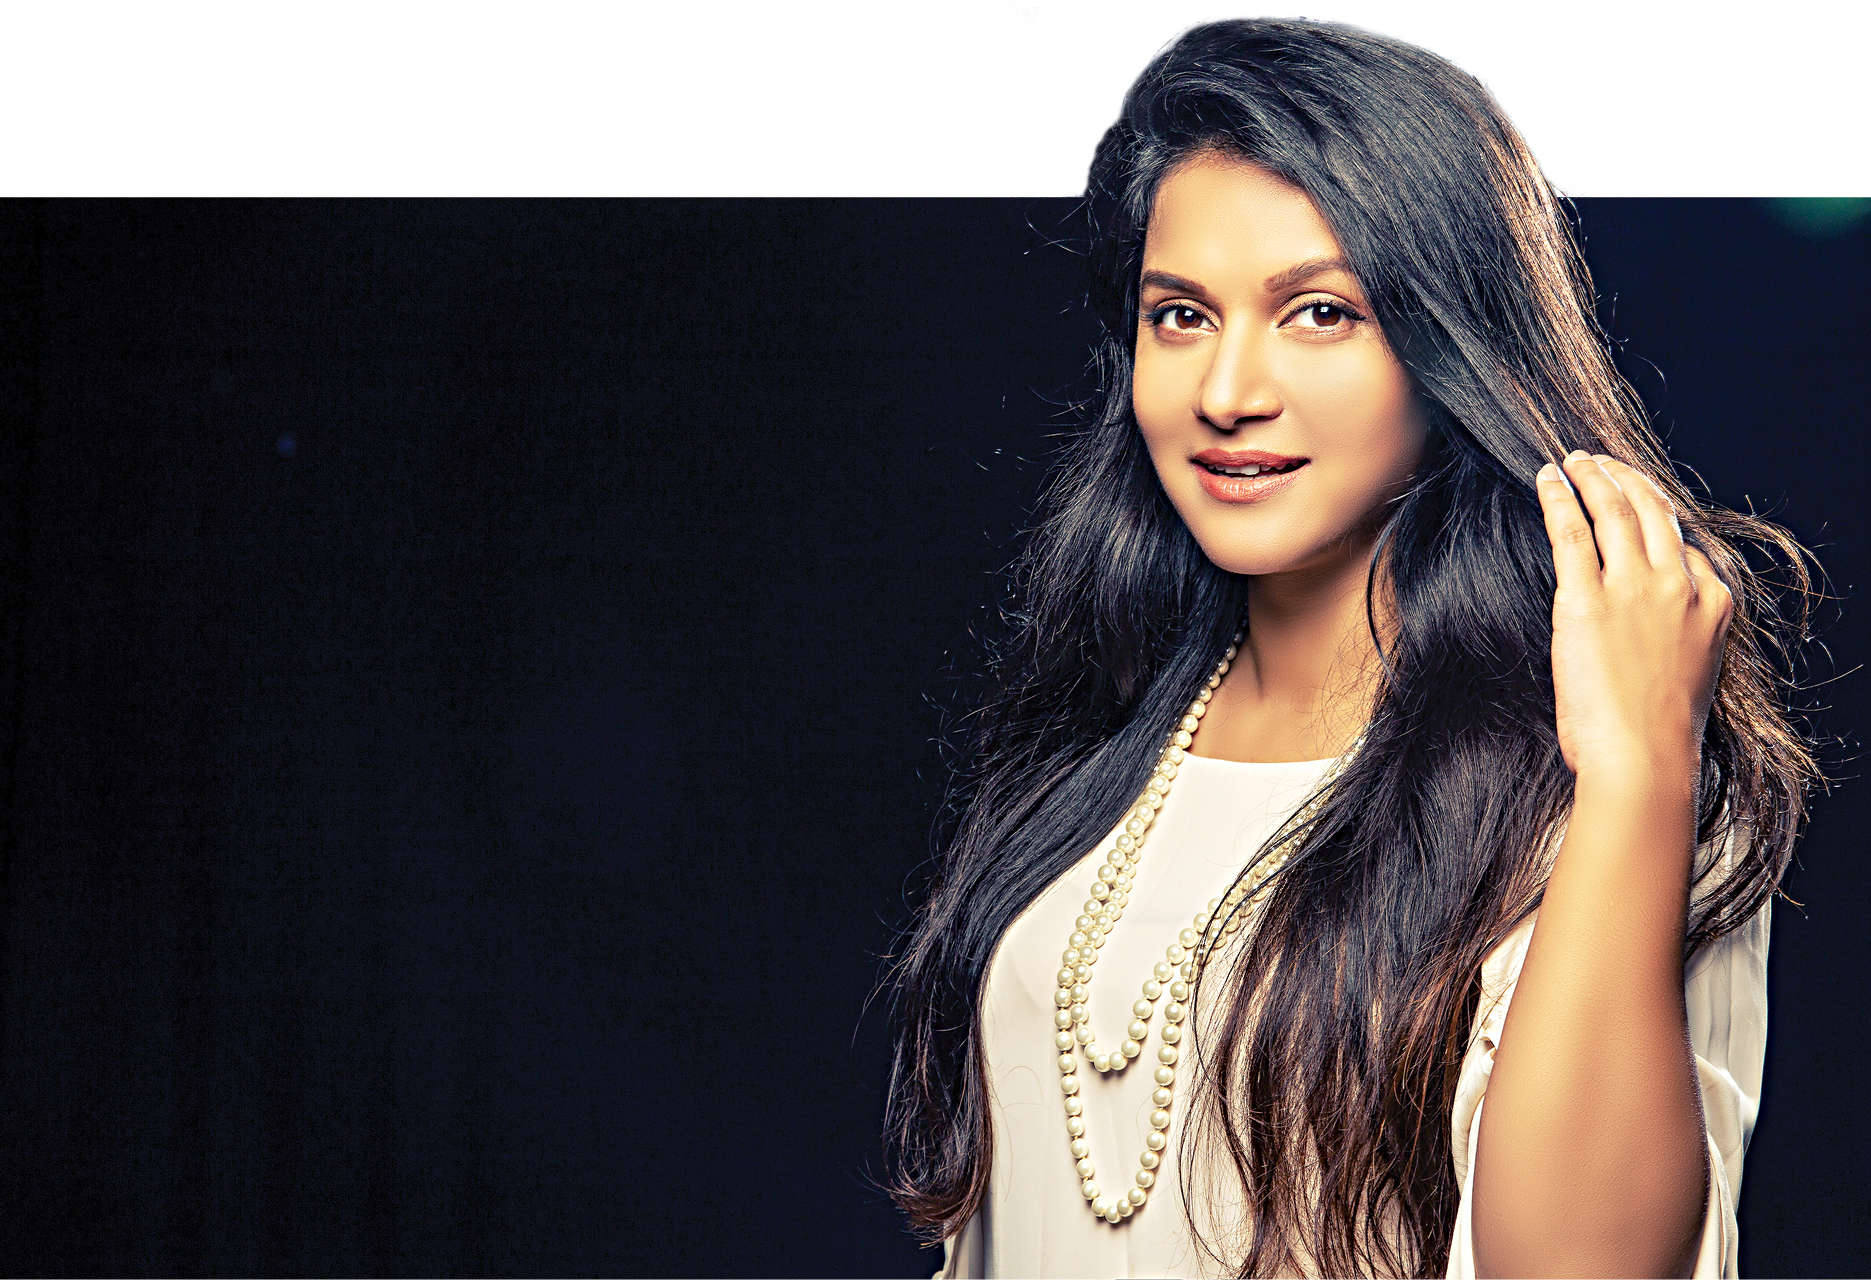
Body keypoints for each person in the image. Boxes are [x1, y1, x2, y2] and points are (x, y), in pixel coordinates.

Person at [878, 16, 1823, 1280]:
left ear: (1446, 342)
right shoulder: (1096, 738)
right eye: (1179, 315)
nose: (1227, 391)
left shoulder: (1590, 780)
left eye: (1317, 312)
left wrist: (1641, 770)